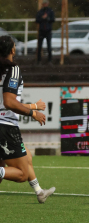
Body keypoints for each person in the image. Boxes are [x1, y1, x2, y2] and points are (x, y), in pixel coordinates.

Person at [0, 35, 55, 203]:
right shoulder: (13, 69)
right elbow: (9, 102)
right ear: (12, 50)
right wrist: (33, 113)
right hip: (5, 127)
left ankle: (39, 192)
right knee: (22, 173)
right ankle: (39, 192)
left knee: (27, 157)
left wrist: (32, 106)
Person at [35, 0, 55, 65]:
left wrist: (47, 18)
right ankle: (39, 60)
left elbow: (53, 19)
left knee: (49, 46)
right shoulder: (40, 12)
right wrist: (42, 18)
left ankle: (49, 60)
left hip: (48, 31)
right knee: (39, 46)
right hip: (41, 31)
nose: (45, 5)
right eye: (44, 4)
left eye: (46, 4)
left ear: (48, 4)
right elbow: (37, 20)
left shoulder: (50, 11)